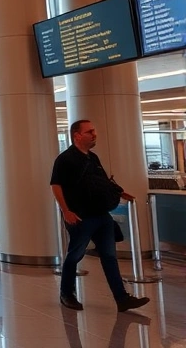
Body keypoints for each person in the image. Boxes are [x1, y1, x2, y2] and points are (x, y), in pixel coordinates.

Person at [50, 120, 149, 312]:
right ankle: (66, 293)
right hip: (80, 216)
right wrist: (66, 211)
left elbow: (102, 181)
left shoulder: (93, 158)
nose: (94, 134)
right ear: (77, 135)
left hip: (101, 216)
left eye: (94, 131)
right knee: (75, 255)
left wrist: (120, 192)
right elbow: (56, 186)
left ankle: (122, 298)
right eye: (90, 132)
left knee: (109, 256)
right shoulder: (65, 159)